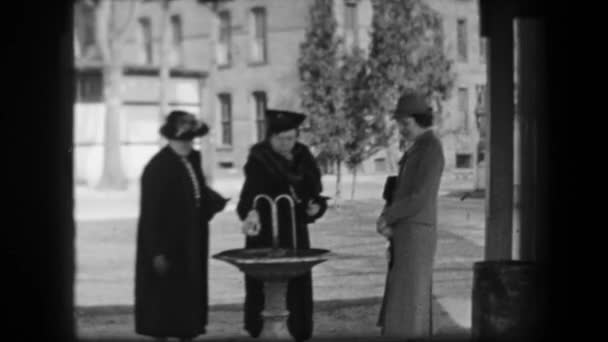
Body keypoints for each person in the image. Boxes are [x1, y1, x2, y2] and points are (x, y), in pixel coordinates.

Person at [134, 110, 229, 342]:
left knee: (189, 291)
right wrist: (157, 251)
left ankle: (188, 332)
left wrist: (214, 201)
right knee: (165, 298)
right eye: (183, 139)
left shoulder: (191, 159)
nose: (188, 143)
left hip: (191, 239)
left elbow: (197, 192)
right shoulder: (158, 168)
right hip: (168, 243)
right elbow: (151, 214)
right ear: (171, 139)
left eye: (191, 138)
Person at [236, 109, 329, 342]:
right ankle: (264, 332)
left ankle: (297, 331)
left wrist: (315, 208)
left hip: (295, 234)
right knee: (266, 289)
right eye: (281, 139)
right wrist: (251, 213)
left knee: (296, 289)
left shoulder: (304, 157)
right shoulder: (259, 160)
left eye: (291, 138)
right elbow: (246, 201)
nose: (287, 144)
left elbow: (314, 195)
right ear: (270, 138)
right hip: (265, 237)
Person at [376, 93, 445, 339]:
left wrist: (388, 216)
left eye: (405, 124)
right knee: (403, 298)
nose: (402, 130)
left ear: (418, 120)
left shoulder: (431, 147)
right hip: (407, 234)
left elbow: (420, 197)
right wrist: (389, 214)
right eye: (401, 124)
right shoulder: (419, 147)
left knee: (411, 300)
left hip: (416, 236)